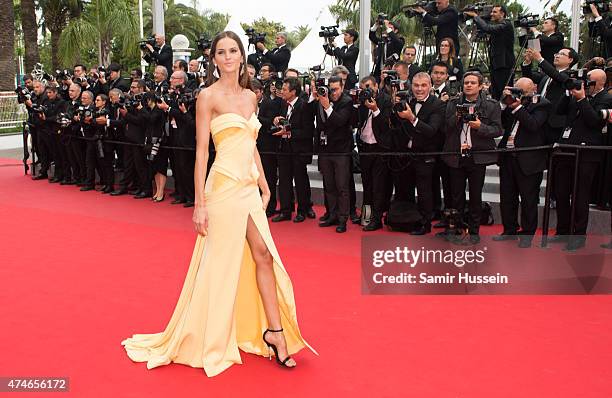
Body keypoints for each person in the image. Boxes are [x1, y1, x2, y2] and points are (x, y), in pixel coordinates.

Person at [122, 31, 316, 377]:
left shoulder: (251, 97)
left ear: (242, 56)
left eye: (233, 51)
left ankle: (274, 332)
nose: (228, 57)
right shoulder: (207, 97)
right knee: (222, 263)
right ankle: (215, 334)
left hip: (247, 186)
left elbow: (250, 140)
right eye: (221, 52)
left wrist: (263, 181)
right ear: (214, 59)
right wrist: (199, 204)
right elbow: (200, 153)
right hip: (222, 187)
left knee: (263, 255)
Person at [494, 78, 551, 248]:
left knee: (528, 199)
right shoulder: (511, 104)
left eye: (522, 92)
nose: (519, 95)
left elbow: (533, 125)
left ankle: (527, 235)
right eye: (516, 91)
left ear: (533, 88)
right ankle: (509, 229)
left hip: (529, 159)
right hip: (508, 156)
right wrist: (505, 104)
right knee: (507, 197)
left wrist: (517, 107)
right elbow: (503, 123)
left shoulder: (542, 104)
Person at [465, 5, 515, 100]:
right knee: (495, 94)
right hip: (496, 65)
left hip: (504, 66)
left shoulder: (506, 24)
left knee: (503, 93)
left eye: (495, 12)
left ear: (502, 14)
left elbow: (488, 28)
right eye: (491, 12)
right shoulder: (498, 25)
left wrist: (475, 16)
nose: (492, 14)